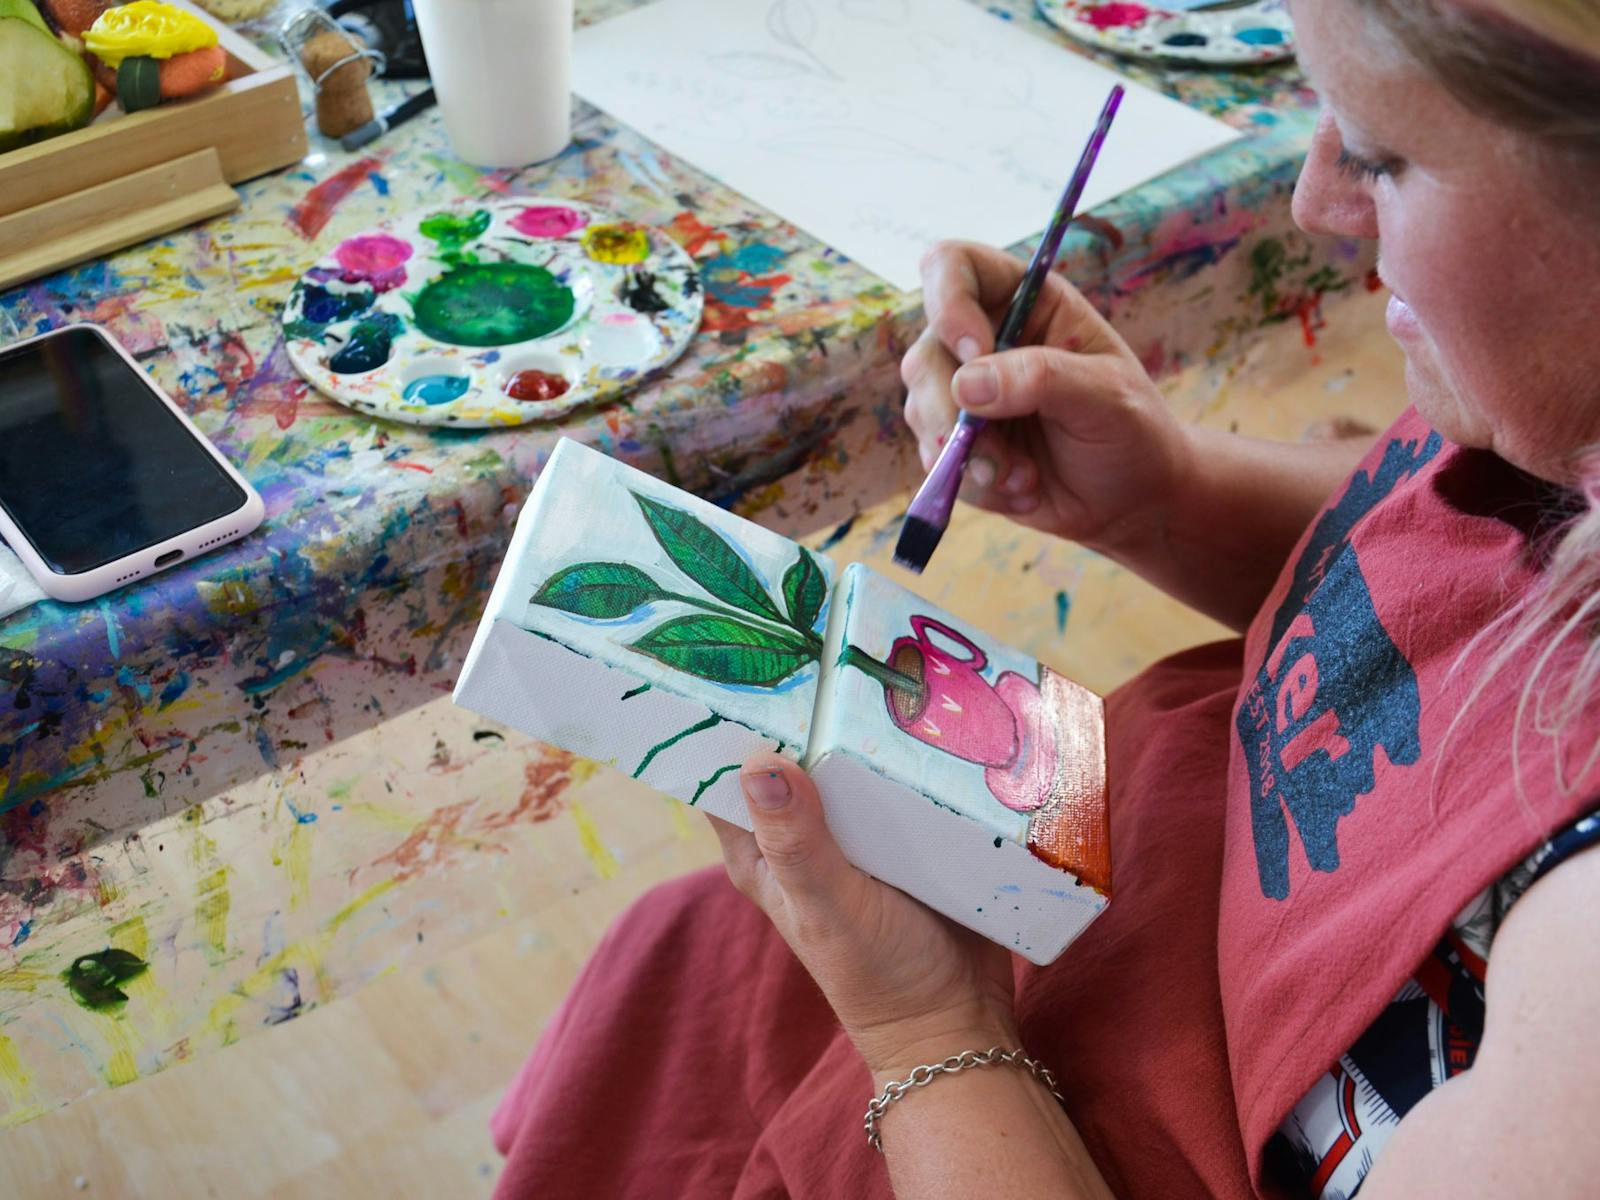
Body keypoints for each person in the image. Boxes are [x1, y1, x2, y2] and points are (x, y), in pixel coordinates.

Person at [489, 1, 1600, 1195]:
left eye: (1378, 153)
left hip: (1003, 1099)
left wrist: (924, 1029)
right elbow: (1459, 567)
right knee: (678, 963)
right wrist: (1165, 497)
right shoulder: (1553, 400)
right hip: (1092, 865)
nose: (1313, 202)